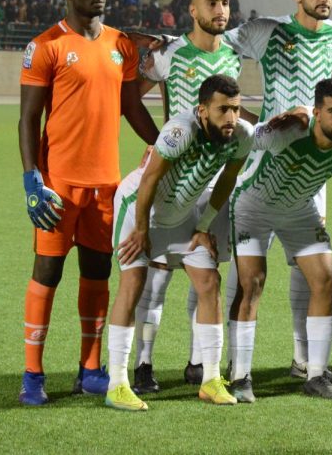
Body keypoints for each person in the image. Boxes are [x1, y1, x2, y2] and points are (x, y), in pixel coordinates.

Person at [18, 0, 159, 406]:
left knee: (97, 273)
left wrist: (163, 146)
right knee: (48, 272)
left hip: (106, 186)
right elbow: (28, 118)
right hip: (58, 184)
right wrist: (32, 178)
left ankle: (90, 369)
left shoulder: (121, 45)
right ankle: (33, 374)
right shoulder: (46, 46)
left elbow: (131, 107)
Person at [222, 0, 332, 380]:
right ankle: (232, 361)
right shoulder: (269, 31)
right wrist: (242, 117)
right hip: (267, 162)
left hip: (311, 169)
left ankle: (301, 357)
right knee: (247, 271)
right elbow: (218, 47)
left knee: (304, 266)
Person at [104, 74, 253, 411]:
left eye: (236, 108)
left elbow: (228, 180)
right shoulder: (180, 131)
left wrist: (203, 225)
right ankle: (117, 385)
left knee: (209, 282)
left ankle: (211, 380)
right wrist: (141, 230)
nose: (231, 117)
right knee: (133, 283)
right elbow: (149, 180)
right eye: (223, 109)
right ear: (202, 110)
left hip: (183, 213)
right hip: (140, 209)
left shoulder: (242, 136)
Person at [228, 78, 332, 402]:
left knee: (326, 279)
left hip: (299, 210)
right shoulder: (288, 132)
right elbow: (244, 137)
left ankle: (316, 375)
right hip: (254, 208)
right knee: (252, 283)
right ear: (316, 112)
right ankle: (240, 376)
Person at [130, 0, 244, 394]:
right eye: (211, 3)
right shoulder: (170, 53)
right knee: (158, 274)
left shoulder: (233, 54)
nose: (220, 9)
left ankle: (198, 363)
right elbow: (130, 97)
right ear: (193, 11)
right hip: (174, 179)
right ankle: (143, 364)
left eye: (225, 3)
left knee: (207, 269)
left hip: (214, 180)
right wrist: (155, 142)